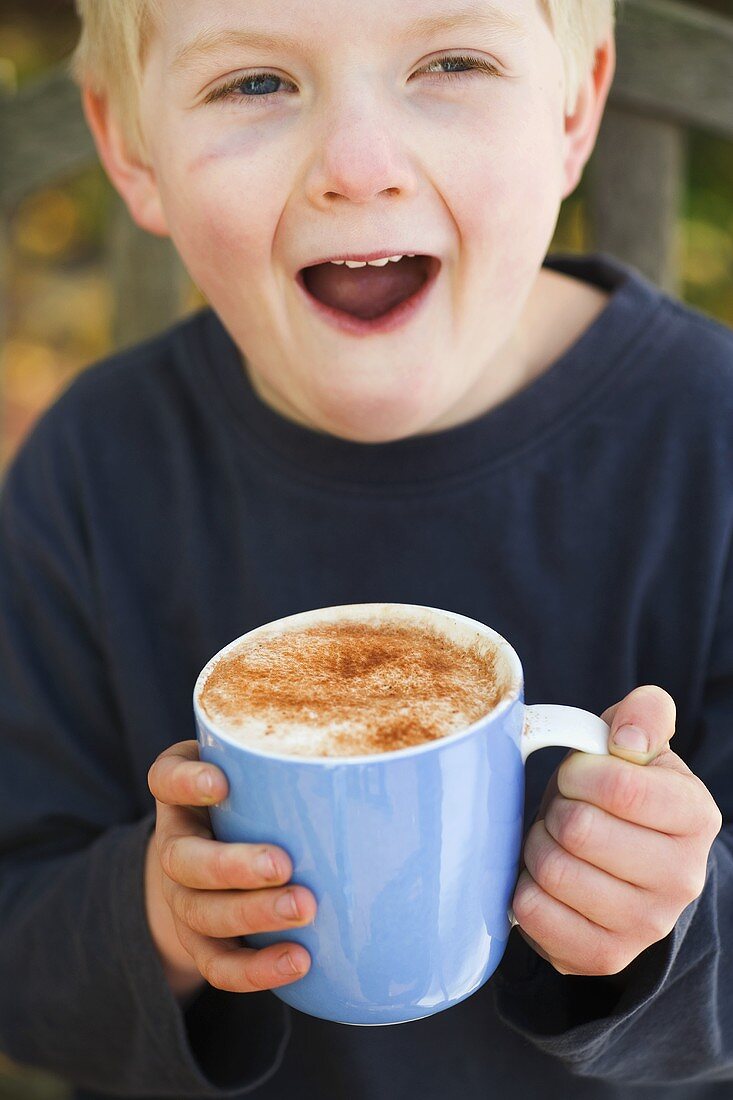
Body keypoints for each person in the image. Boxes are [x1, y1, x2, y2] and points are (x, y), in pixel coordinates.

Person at [0, 0, 730, 1096]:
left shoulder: (709, 439)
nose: (358, 166)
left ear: (573, 107)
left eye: (451, 60)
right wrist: (151, 922)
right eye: (254, 83)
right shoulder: (93, 469)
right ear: (131, 150)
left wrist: (663, 926)